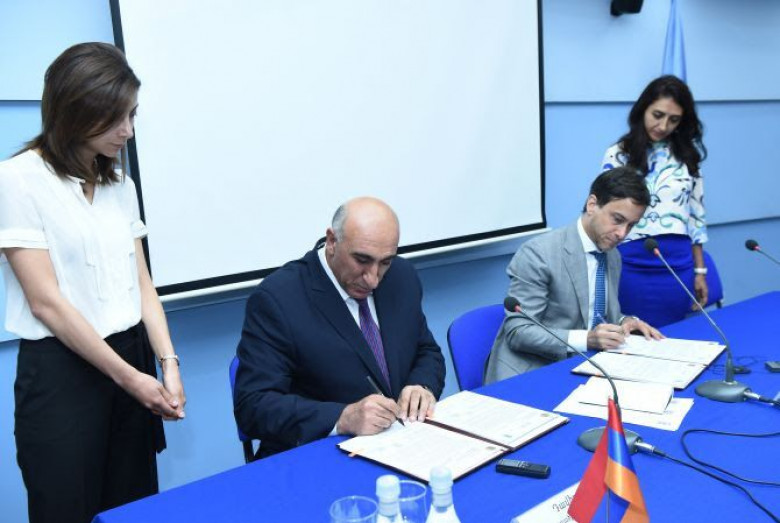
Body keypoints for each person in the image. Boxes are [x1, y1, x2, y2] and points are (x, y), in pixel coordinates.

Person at [0, 43, 185, 523]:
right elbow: (46, 303)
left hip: (132, 360)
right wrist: (131, 379)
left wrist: (168, 363)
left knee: (133, 508)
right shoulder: (17, 180)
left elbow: (142, 284)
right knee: (67, 509)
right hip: (63, 372)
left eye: (132, 115)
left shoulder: (119, 184)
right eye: (115, 118)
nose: (128, 131)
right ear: (74, 111)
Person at [233, 197, 445, 458]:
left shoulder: (401, 276)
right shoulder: (279, 299)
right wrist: (342, 417)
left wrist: (421, 386)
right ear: (332, 241)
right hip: (317, 455)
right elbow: (253, 406)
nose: (373, 279)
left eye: (385, 262)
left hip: (399, 445)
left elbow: (426, 351)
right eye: (362, 260)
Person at [484, 167, 663, 384]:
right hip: (533, 371)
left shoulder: (612, 255)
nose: (622, 233)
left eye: (631, 225)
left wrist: (626, 321)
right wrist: (588, 339)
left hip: (586, 365)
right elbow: (519, 331)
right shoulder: (538, 254)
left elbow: (593, 313)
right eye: (617, 219)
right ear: (592, 205)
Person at [602, 75, 709, 327]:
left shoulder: (688, 158)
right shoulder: (618, 154)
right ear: (643, 109)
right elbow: (605, 214)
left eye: (674, 119)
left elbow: (696, 217)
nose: (663, 126)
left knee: (675, 336)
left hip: (678, 265)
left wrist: (700, 271)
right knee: (632, 338)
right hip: (630, 264)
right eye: (657, 115)